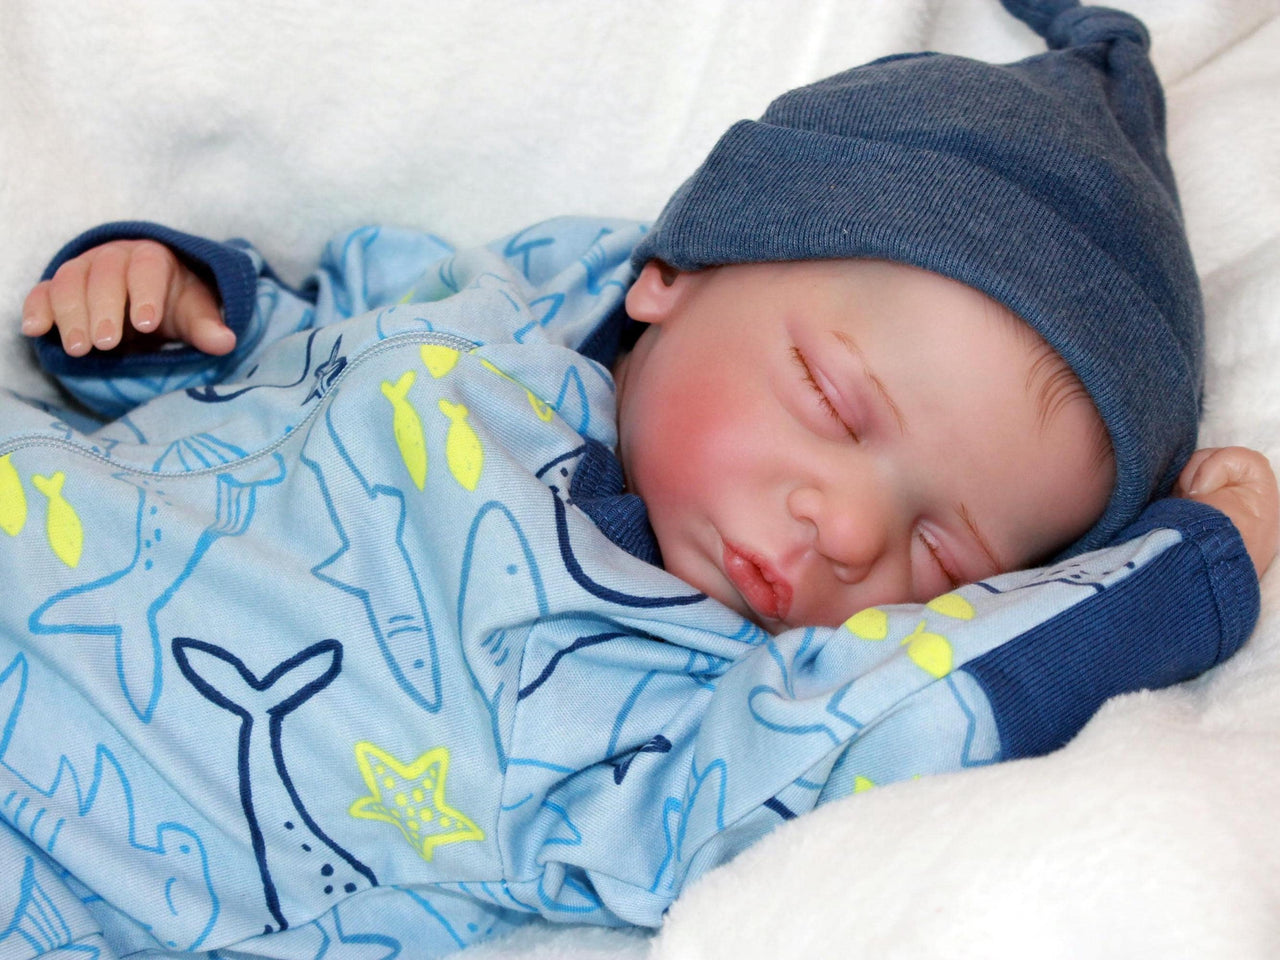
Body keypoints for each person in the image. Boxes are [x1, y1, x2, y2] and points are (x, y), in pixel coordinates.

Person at [2, 1, 1275, 958]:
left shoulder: (679, 715)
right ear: (675, 269)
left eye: (941, 556)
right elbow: (300, 331)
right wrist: (166, 309)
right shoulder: (493, 309)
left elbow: (903, 715)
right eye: (831, 403)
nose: (845, 526)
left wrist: (1181, 571)